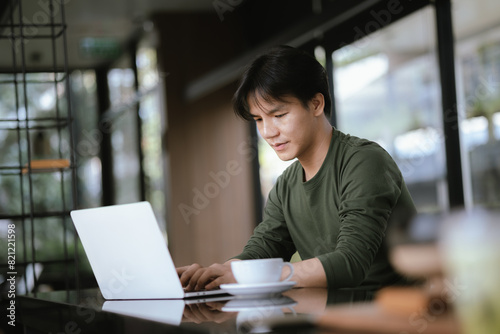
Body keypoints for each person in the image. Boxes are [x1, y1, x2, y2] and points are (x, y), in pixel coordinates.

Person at [177, 45, 416, 291]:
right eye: (259, 120)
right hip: (335, 317)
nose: (268, 132)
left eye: (279, 115)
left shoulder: (364, 161)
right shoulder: (286, 186)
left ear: (315, 104)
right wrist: (215, 274)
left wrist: (248, 277)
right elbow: (263, 249)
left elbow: (350, 262)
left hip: (398, 316)